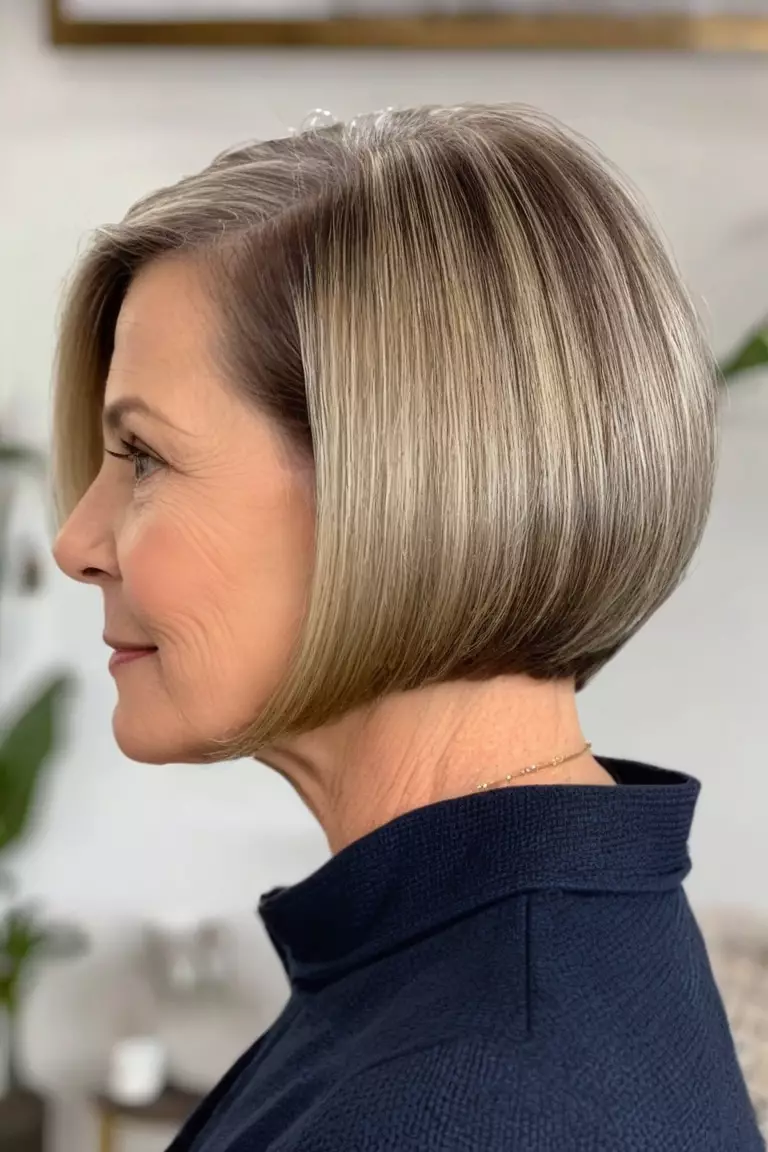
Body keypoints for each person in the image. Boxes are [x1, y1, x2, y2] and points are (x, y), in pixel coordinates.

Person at [51, 104, 763, 1151]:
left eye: (145, 456)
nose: (78, 540)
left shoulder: (469, 1102)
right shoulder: (503, 955)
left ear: (394, 488)